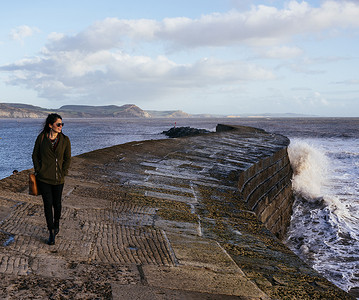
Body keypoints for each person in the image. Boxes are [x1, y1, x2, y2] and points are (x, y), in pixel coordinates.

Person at [32, 113, 71, 245]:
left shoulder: (65, 140)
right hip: (44, 179)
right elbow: (35, 155)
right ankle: (51, 231)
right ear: (50, 125)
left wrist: (63, 172)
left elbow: (67, 159)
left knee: (57, 204)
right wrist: (38, 170)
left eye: (62, 124)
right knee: (47, 204)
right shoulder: (42, 138)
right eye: (58, 124)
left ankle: (57, 223)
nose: (60, 126)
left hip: (58, 179)